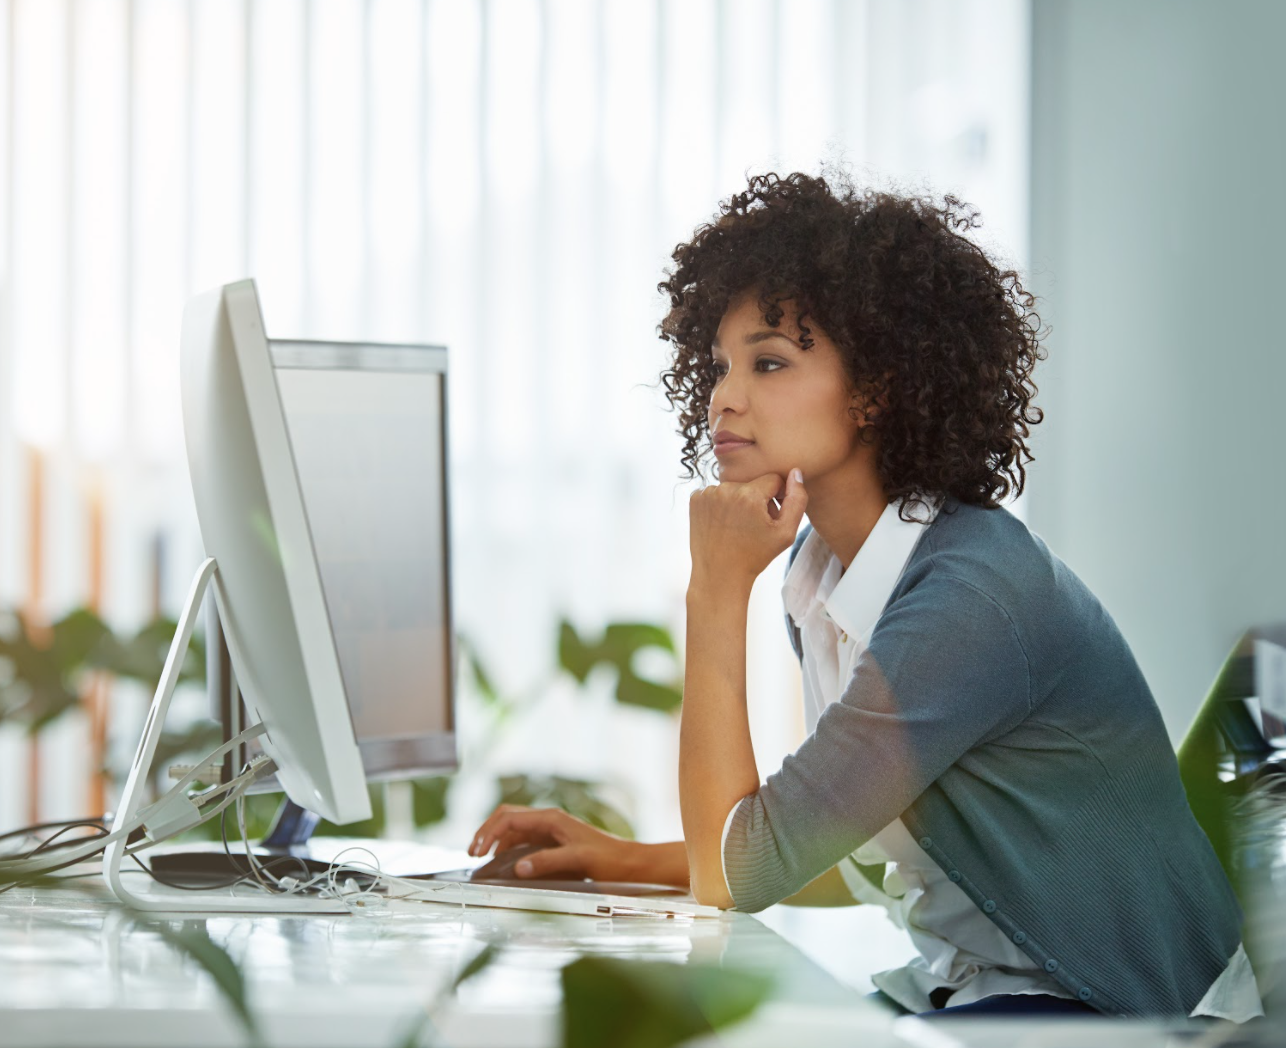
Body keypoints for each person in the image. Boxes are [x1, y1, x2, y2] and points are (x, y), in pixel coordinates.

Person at [467, 171, 1261, 1021]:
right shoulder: (827, 577)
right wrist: (621, 859)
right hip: (985, 996)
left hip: (1131, 1017)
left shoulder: (969, 601)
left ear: (878, 386)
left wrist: (716, 588)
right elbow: (845, 846)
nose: (723, 396)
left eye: (768, 362)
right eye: (720, 364)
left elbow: (740, 878)